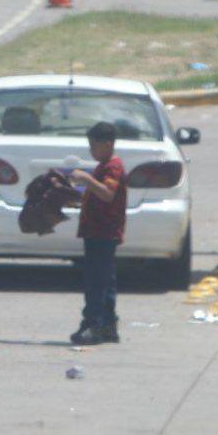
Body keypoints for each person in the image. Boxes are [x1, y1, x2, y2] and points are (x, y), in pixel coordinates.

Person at [69, 121, 127, 346]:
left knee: (96, 281)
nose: (91, 150)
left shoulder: (113, 166)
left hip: (103, 232)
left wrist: (85, 179)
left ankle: (93, 324)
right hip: (96, 230)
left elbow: (107, 194)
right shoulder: (103, 166)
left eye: (94, 145)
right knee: (106, 280)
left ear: (108, 144)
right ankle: (108, 325)